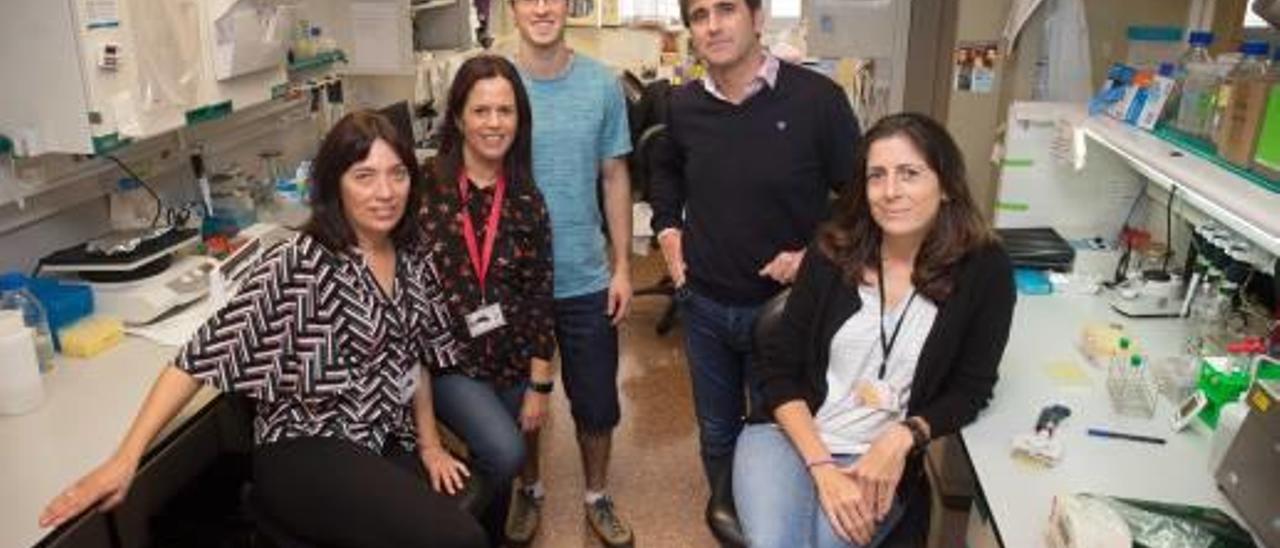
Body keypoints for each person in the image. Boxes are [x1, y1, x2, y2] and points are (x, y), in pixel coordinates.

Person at [38, 111, 487, 548]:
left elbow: (414, 360)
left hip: (376, 435)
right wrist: (125, 458)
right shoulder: (302, 264)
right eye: (364, 176)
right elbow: (199, 358)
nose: (385, 191)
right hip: (308, 444)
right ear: (335, 185)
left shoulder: (410, 256)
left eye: (397, 174)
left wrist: (429, 443)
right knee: (460, 539)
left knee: (458, 516)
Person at [733, 113, 1016, 547]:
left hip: (876, 455)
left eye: (910, 174)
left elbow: (971, 389)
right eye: (876, 176)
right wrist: (823, 469)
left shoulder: (984, 270)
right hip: (790, 436)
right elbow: (779, 374)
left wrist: (904, 436)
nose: (890, 192)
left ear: (946, 186)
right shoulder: (831, 252)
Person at [649, 0, 861, 498]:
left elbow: (860, 200)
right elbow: (665, 170)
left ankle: (772, 523)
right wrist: (667, 231)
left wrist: (813, 256)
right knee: (718, 434)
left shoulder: (817, 100)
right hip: (703, 307)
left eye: (726, 9)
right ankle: (731, 521)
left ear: (758, 17)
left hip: (787, 313)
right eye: (699, 15)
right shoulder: (682, 106)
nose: (713, 25)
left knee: (781, 437)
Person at [504, 0, 635, 545]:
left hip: (585, 276)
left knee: (598, 402)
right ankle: (529, 489)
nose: (541, 7)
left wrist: (624, 266)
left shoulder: (601, 85)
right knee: (519, 403)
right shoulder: (494, 85)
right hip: (511, 283)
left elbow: (614, 177)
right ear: (512, 8)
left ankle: (596, 495)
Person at [417, 54, 555, 540]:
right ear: (458, 116)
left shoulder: (526, 198)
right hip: (450, 361)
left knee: (494, 462)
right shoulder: (424, 190)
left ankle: (487, 537)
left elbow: (539, 292)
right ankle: (442, 532)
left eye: (506, 111)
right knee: (505, 452)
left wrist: (540, 385)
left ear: (520, 118)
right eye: (481, 111)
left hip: (513, 357)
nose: (494, 124)